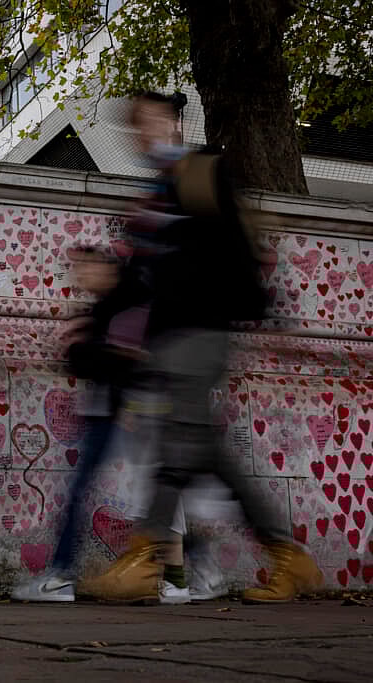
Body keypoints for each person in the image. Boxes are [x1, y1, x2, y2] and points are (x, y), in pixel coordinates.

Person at [78, 92, 321, 604]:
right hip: (165, 340)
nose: (143, 132)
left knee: (175, 445)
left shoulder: (199, 170)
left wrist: (270, 312)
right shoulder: (152, 197)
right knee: (204, 451)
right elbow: (139, 281)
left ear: (174, 122)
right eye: (134, 126)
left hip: (202, 332)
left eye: (151, 120)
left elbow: (235, 242)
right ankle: (286, 556)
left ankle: (142, 559)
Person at [12, 246, 154, 602]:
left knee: (142, 492)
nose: (81, 277)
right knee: (147, 493)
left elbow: (126, 359)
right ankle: (193, 561)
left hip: (126, 410)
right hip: (107, 410)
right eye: (76, 270)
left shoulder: (128, 303)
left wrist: (85, 348)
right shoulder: (102, 311)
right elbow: (87, 362)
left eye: (86, 268)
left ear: (107, 268)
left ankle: (61, 575)